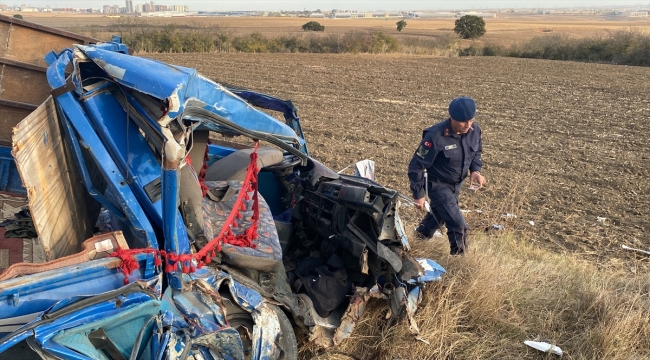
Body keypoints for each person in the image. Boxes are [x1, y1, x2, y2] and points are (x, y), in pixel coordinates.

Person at [407, 96, 486, 255]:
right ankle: (460, 261)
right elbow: (416, 165)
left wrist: (475, 170)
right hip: (437, 185)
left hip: (456, 184)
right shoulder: (435, 136)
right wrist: (418, 194)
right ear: (452, 118)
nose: (468, 125)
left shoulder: (474, 130)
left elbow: (476, 152)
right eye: (463, 121)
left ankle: (416, 241)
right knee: (458, 225)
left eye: (471, 120)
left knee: (439, 216)